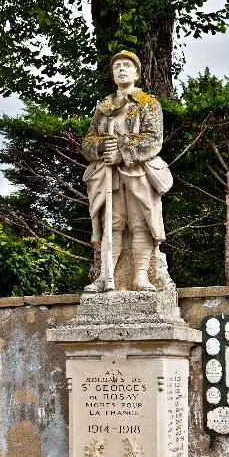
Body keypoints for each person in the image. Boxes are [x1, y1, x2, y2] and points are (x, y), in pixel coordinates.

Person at [81, 50, 173, 292]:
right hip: (108, 176)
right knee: (112, 224)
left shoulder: (148, 104)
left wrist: (121, 152)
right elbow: (88, 143)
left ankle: (141, 276)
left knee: (140, 223)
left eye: (127, 65)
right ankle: (105, 275)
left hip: (138, 173)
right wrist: (101, 147)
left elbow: (153, 140)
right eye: (117, 66)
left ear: (136, 72)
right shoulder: (103, 108)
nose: (121, 69)